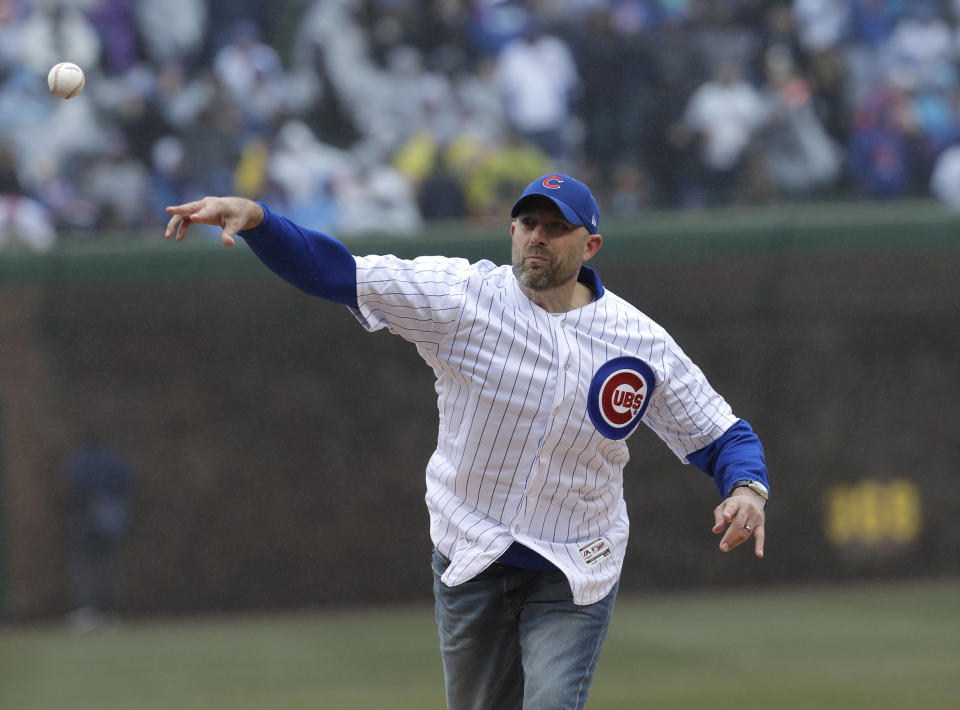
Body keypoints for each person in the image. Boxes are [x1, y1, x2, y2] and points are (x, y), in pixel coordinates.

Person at [163, 173, 770, 710]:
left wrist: (746, 489)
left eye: (555, 228)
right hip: (472, 550)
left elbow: (719, 433)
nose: (536, 236)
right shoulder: (462, 298)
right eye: (528, 222)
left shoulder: (639, 341)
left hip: (575, 564)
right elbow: (336, 272)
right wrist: (261, 221)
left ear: (589, 246)